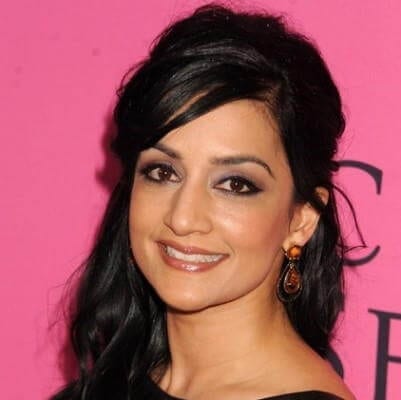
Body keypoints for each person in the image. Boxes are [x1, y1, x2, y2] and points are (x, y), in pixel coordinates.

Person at [52, 3, 357, 400]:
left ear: (302, 218)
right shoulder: (112, 379)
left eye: (235, 184)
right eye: (163, 172)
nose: (183, 218)